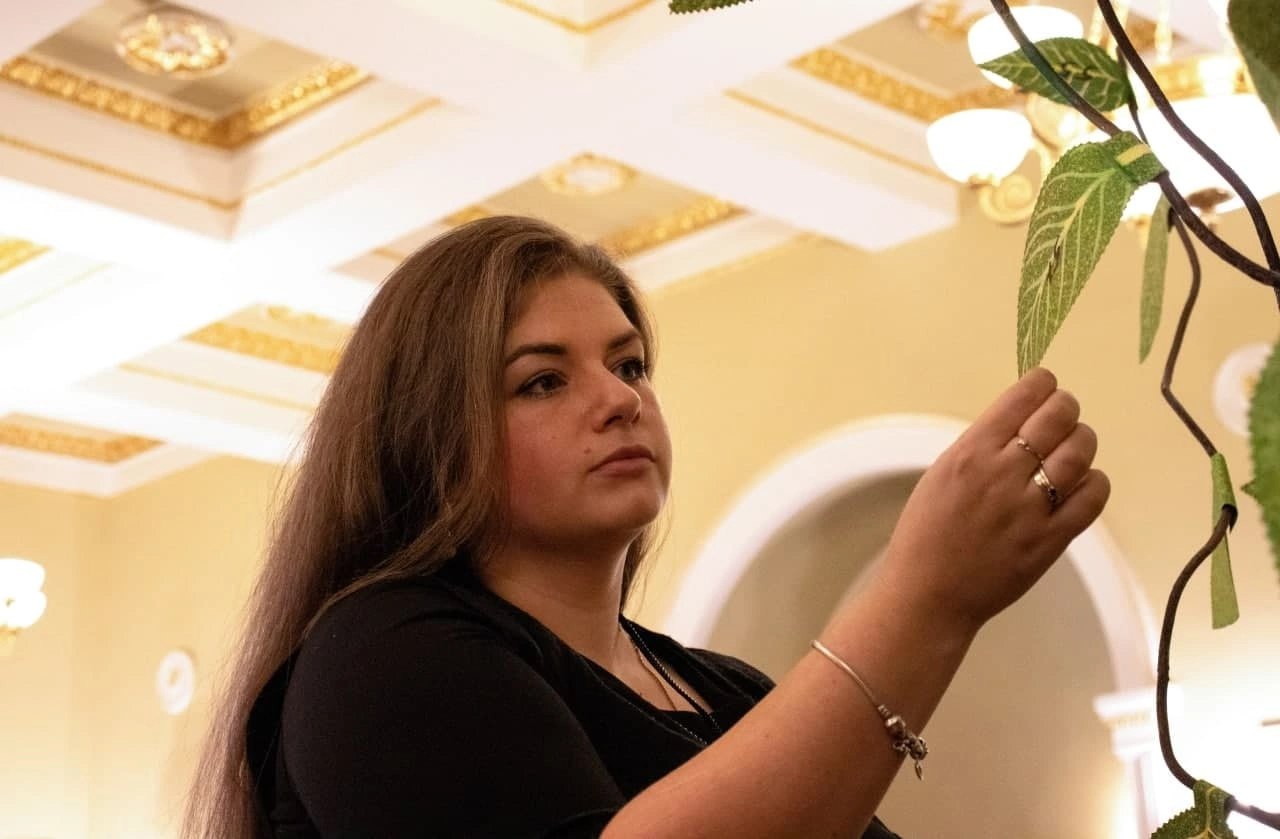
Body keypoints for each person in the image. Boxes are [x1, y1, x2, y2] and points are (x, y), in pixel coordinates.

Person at [182, 215, 1109, 838]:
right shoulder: (380, 651)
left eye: (628, 365)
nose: (620, 400)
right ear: (430, 435)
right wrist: (924, 599)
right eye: (544, 380)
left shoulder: (729, 693)